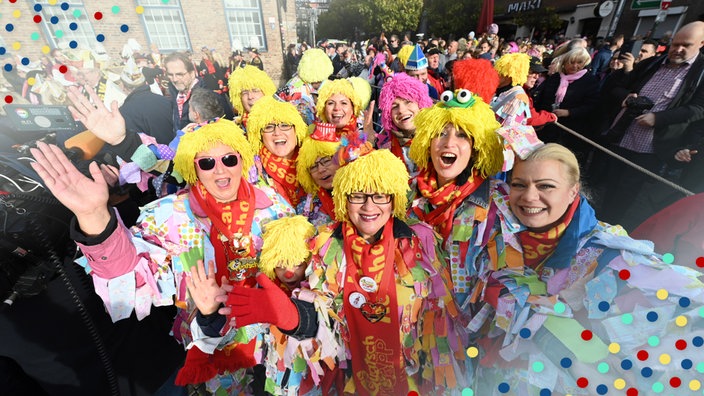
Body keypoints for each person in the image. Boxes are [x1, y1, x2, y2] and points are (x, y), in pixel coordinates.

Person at [29, 118, 295, 395]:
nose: (220, 170)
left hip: (277, 339)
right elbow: (127, 276)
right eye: (206, 163)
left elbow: (303, 263)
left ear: (242, 160)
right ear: (193, 167)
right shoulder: (171, 215)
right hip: (214, 344)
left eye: (229, 159)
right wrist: (93, 216)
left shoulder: (272, 203)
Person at [220, 141, 467, 395]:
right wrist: (293, 317)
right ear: (343, 199)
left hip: (413, 379)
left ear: (393, 200)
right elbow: (323, 318)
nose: (369, 207)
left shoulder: (420, 241)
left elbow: (440, 318)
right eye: (357, 196)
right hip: (350, 382)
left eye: (379, 195)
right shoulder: (327, 245)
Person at [468, 143, 704, 394]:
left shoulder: (611, 256)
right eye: (519, 184)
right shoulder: (493, 234)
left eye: (545, 185)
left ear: (573, 192)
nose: (529, 196)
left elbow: (692, 305)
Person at [599, 21, 704, 228]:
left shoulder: (700, 73)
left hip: (652, 145)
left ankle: (611, 230)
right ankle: (599, 224)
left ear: (701, 44)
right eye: (675, 44)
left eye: (686, 45)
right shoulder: (653, 63)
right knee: (609, 185)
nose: (678, 49)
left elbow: (699, 109)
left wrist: (659, 118)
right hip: (623, 134)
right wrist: (627, 98)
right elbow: (617, 87)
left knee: (626, 192)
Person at [408, 91, 504, 304]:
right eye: (441, 133)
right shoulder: (408, 191)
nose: (448, 143)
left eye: (461, 135)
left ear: (476, 146)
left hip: (464, 320)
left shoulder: (497, 203)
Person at [534, 47, 599, 160]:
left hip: (571, 130)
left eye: (579, 62)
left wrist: (569, 112)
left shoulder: (590, 81)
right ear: (564, 62)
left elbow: (591, 106)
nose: (575, 66)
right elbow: (543, 99)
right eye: (571, 62)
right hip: (547, 125)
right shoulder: (554, 78)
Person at [247, 96, 308, 207]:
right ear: (260, 135)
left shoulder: (314, 162)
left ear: (296, 130)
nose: (277, 132)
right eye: (269, 127)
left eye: (285, 125)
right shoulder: (252, 170)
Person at [376, 72, 433, 177]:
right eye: (394, 106)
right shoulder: (384, 147)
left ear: (421, 104)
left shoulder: (438, 137)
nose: (401, 110)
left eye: (408, 102)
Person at [295, 121, 341, 226]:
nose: (320, 169)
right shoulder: (304, 208)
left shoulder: (358, 197)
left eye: (326, 161)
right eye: (313, 167)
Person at [227, 65, 277, 130]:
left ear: (266, 92)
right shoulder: (236, 129)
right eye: (245, 92)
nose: (250, 97)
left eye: (255, 91)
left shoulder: (281, 121)